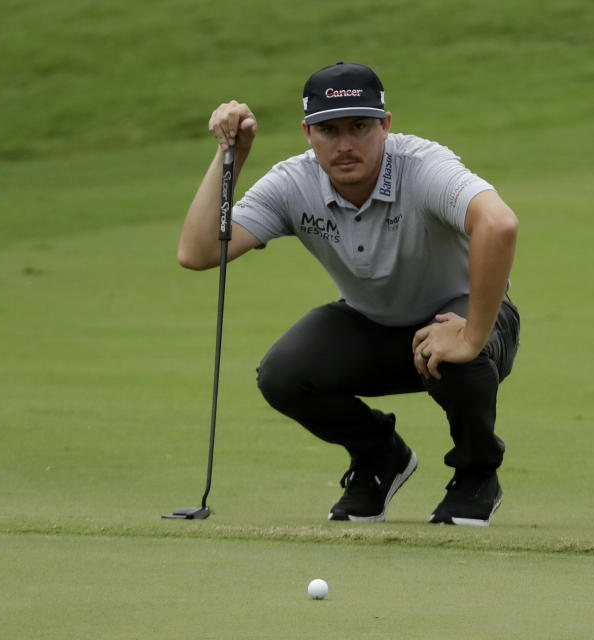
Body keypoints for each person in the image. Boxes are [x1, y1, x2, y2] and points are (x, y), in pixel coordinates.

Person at [178, 62, 520, 526]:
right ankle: (380, 457)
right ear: (307, 132)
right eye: (328, 130)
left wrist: (472, 336)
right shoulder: (292, 182)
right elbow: (197, 251)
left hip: (465, 317)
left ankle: (477, 473)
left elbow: (498, 224)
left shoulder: (422, 167)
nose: (344, 145)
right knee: (283, 374)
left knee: (459, 357)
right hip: (372, 325)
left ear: (385, 125)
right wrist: (232, 156)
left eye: (359, 127)